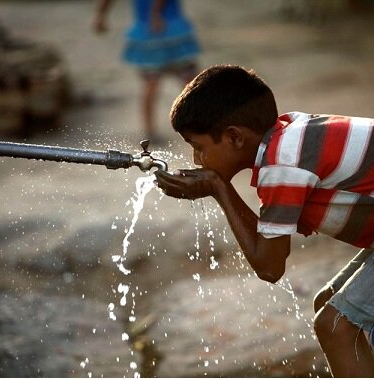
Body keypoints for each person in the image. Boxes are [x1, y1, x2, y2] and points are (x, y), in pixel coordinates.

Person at [154, 64, 374, 376]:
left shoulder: (283, 163)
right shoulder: (287, 139)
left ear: (234, 137)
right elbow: (268, 248)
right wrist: (220, 188)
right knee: (328, 303)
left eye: (199, 148)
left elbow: (270, 267)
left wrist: (219, 188)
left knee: (335, 326)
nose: (195, 160)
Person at [93, 0, 201, 144]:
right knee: (189, 82)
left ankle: (151, 131)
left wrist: (100, 15)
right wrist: (155, 14)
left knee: (155, 82)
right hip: (168, 29)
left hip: (150, 31)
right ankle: (200, 124)